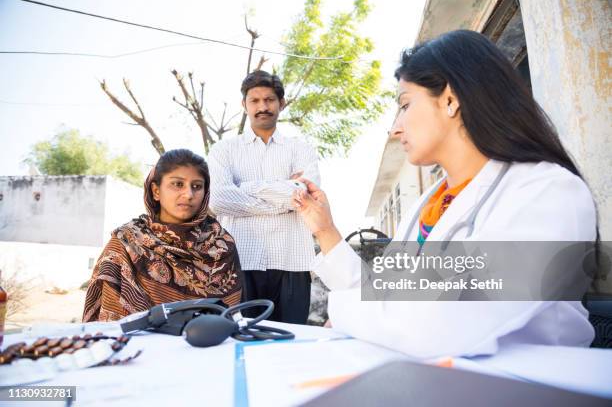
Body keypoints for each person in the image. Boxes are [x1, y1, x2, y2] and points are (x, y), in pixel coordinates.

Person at [292, 30, 597, 358]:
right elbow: (382, 291)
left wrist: (343, 313)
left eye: (405, 104)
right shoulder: (430, 203)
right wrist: (325, 231)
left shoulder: (547, 191)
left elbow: (447, 322)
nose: (395, 128)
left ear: (451, 100)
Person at [208, 70, 320, 324]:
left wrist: (245, 187)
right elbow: (219, 200)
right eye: (255, 101)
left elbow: (306, 195)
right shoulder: (224, 150)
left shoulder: (301, 148)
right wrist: (284, 197)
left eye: (269, 100)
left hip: (293, 260)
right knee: (242, 341)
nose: (262, 107)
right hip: (242, 261)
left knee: (291, 343)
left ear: (281, 103)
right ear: (244, 105)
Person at [83, 149, 242, 322]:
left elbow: (233, 317)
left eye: (197, 186)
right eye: (178, 184)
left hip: (210, 345)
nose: (189, 194)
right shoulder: (126, 243)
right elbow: (111, 321)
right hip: (138, 346)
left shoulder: (221, 244)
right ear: (156, 191)